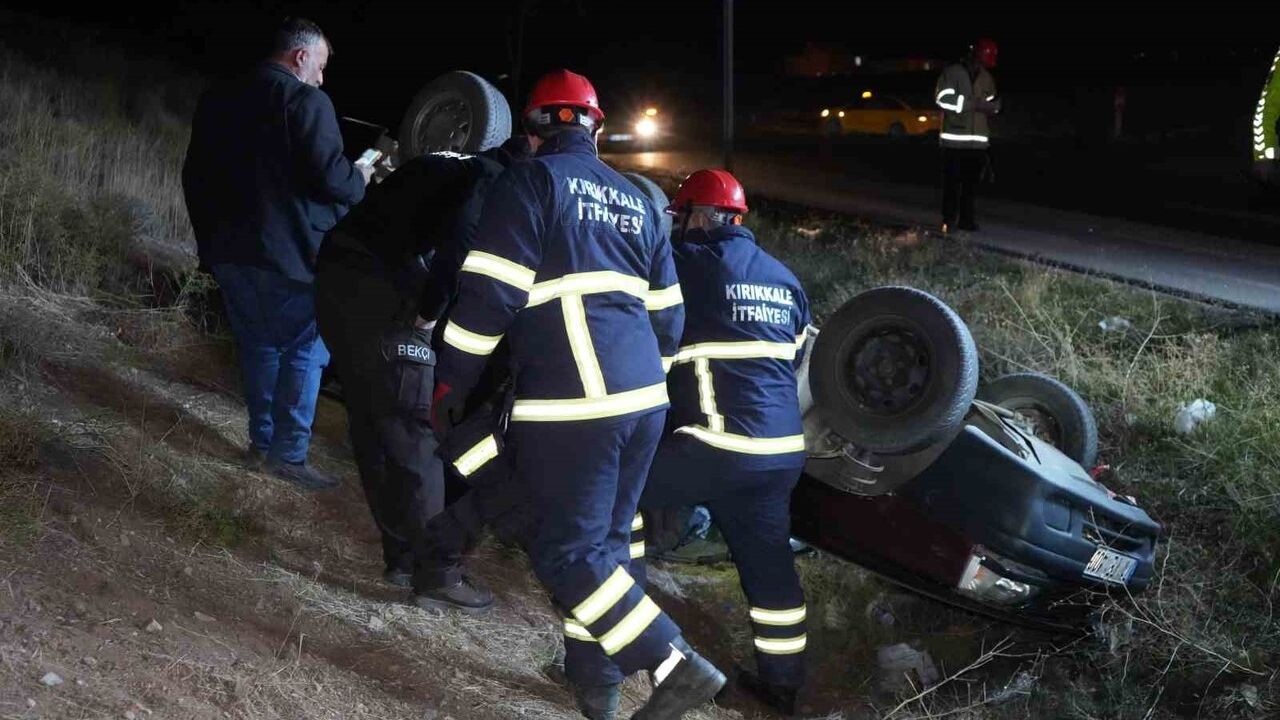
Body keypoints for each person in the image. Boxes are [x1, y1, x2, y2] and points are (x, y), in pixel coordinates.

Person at [431, 69, 726, 720]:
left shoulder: (532, 182)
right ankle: (597, 688)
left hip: (573, 404)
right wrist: (635, 380)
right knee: (608, 549)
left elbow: (489, 297)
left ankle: (673, 663)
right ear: (594, 127)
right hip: (644, 401)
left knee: (566, 551)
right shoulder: (638, 201)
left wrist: (451, 381)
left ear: (535, 130)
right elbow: (670, 320)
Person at [573, 169, 815, 716]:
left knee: (616, 503)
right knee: (769, 568)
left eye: (681, 218)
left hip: (717, 444)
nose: (677, 228)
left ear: (702, 216)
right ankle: (783, 685)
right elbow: (794, 357)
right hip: (779, 456)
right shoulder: (785, 279)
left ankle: (611, 652)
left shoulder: (690, 266)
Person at [314, 97, 531, 606]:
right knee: (414, 431)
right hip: (375, 289)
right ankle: (438, 574)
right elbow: (460, 244)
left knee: (374, 424)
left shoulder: (446, 163)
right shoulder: (494, 179)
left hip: (338, 281)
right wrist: (430, 313)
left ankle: (404, 558)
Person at [181, 17, 372, 489]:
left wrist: (211, 242)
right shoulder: (306, 101)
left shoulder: (219, 97)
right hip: (292, 258)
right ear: (300, 56)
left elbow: (194, 176)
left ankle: (261, 445)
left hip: (229, 253)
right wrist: (361, 177)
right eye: (322, 65)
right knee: (306, 349)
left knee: (259, 347)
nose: (323, 78)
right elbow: (333, 179)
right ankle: (288, 457)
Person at [934, 37, 1000, 233]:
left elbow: (992, 101)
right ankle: (949, 220)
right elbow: (942, 99)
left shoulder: (987, 77)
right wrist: (971, 104)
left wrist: (993, 107)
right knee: (952, 185)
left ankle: (966, 221)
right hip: (954, 142)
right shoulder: (952, 72)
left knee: (970, 187)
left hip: (978, 143)